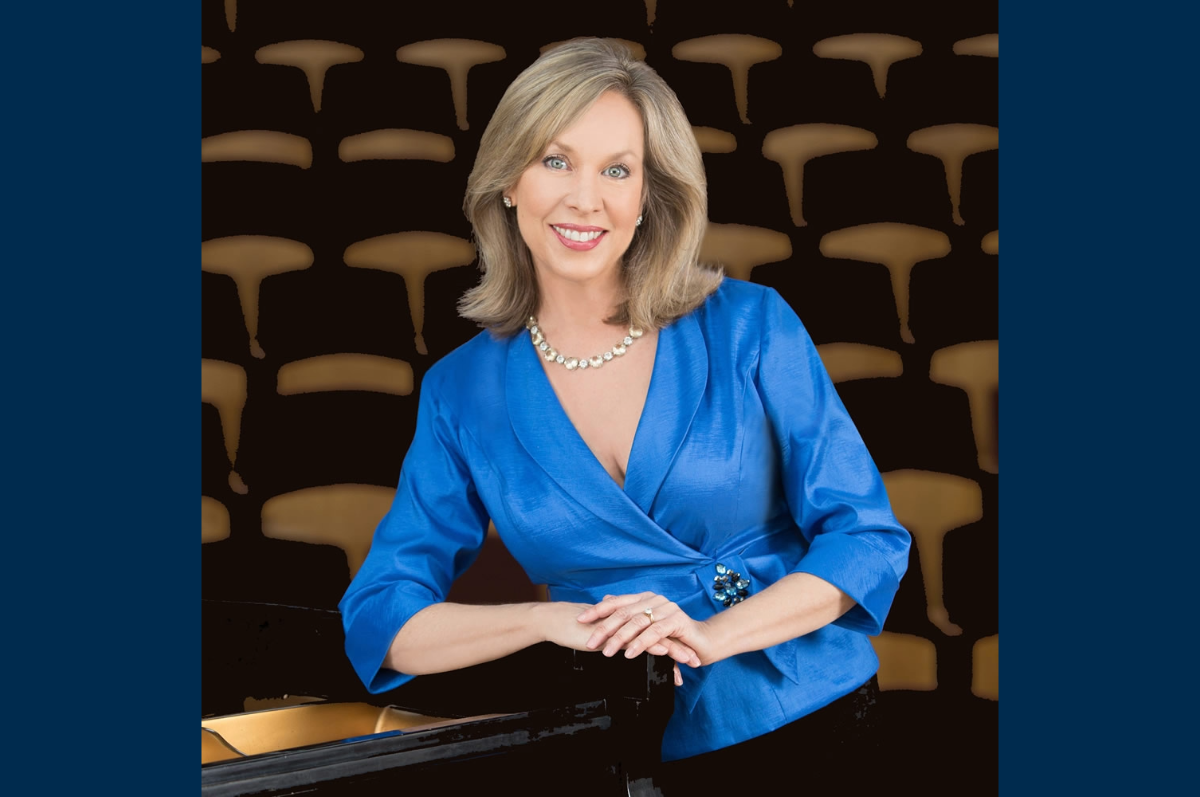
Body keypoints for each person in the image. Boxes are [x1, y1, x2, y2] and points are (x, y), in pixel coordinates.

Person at [340, 38, 911, 789]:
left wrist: (709, 634)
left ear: (648, 195)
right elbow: (381, 617)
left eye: (618, 169)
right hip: (618, 743)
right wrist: (544, 620)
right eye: (554, 161)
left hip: (817, 719)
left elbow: (867, 539)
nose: (586, 198)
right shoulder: (460, 391)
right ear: (509, 181)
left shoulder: (750, 324)